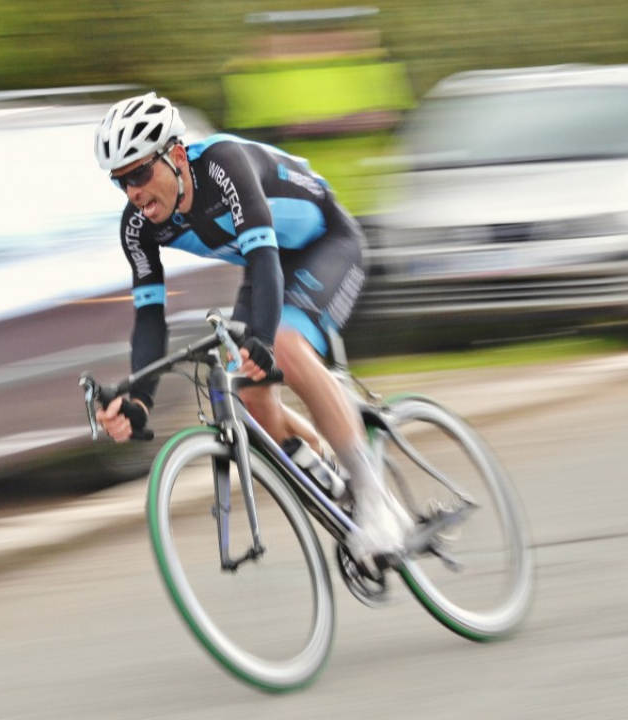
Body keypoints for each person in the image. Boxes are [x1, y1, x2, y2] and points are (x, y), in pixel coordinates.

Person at [91, 92, 413, 565]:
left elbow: (263, 258)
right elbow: (149, 316)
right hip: (270, 264)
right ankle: (326, 470)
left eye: (140, 173)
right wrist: (140, 397)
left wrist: (261, 338)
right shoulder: (137, 227)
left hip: (326, 243)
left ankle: (375, 499)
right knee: (249, 390)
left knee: (279, 343)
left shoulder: (223, 163)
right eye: (122, 183)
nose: (134, 193)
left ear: (176, 156)